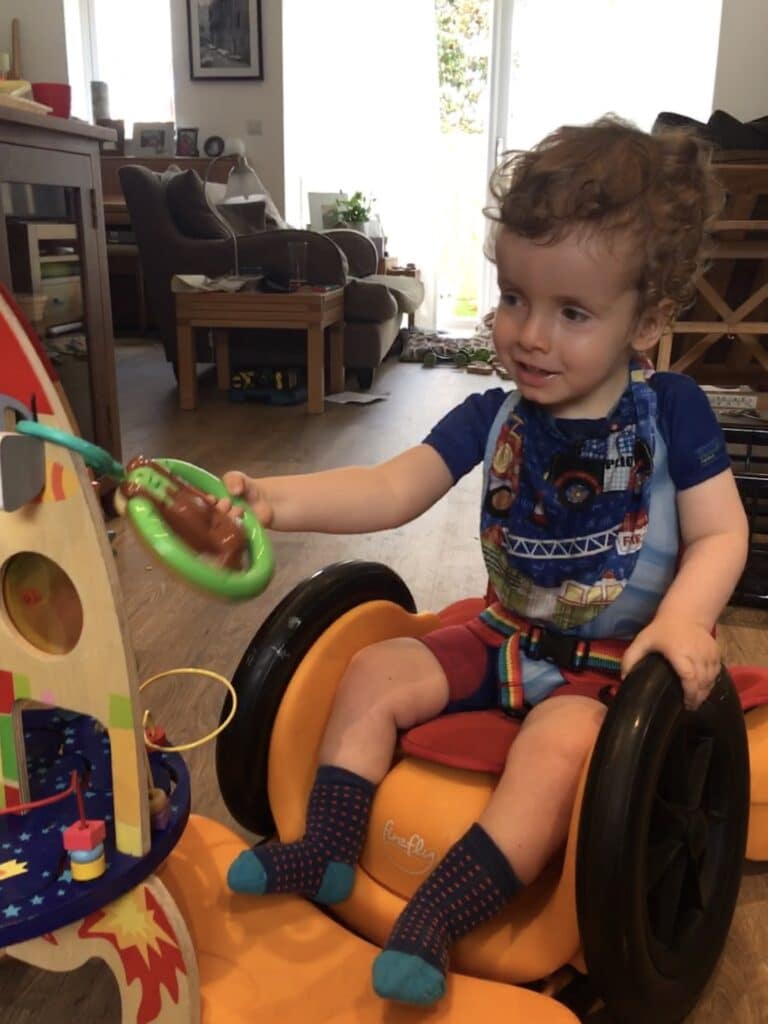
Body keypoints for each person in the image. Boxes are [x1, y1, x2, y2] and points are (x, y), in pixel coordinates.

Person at [219, 116, 749, 1007]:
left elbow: (722, 534)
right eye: (514, 299)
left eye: (572, 312)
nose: (530, 335)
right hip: (506, 633)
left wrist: (682, 621)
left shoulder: (676, 413)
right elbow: (391, 489)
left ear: (648, 321)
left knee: (554, 753)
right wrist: (274, 500)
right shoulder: (496, 414)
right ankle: (329, 849)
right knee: (376, 669)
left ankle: (439, 912)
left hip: (611, 667)